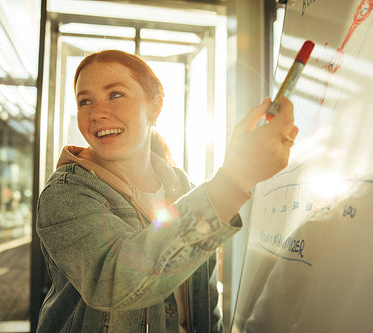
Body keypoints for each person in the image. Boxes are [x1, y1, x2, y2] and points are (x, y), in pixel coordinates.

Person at [35, 49, 298, 332]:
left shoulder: (185, 189)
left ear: (155, 107)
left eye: (115, 95)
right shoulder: (65, 194)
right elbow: (114, 281)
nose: (97, 113)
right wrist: (234, 181)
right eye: (84, 101)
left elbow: (205, 309)